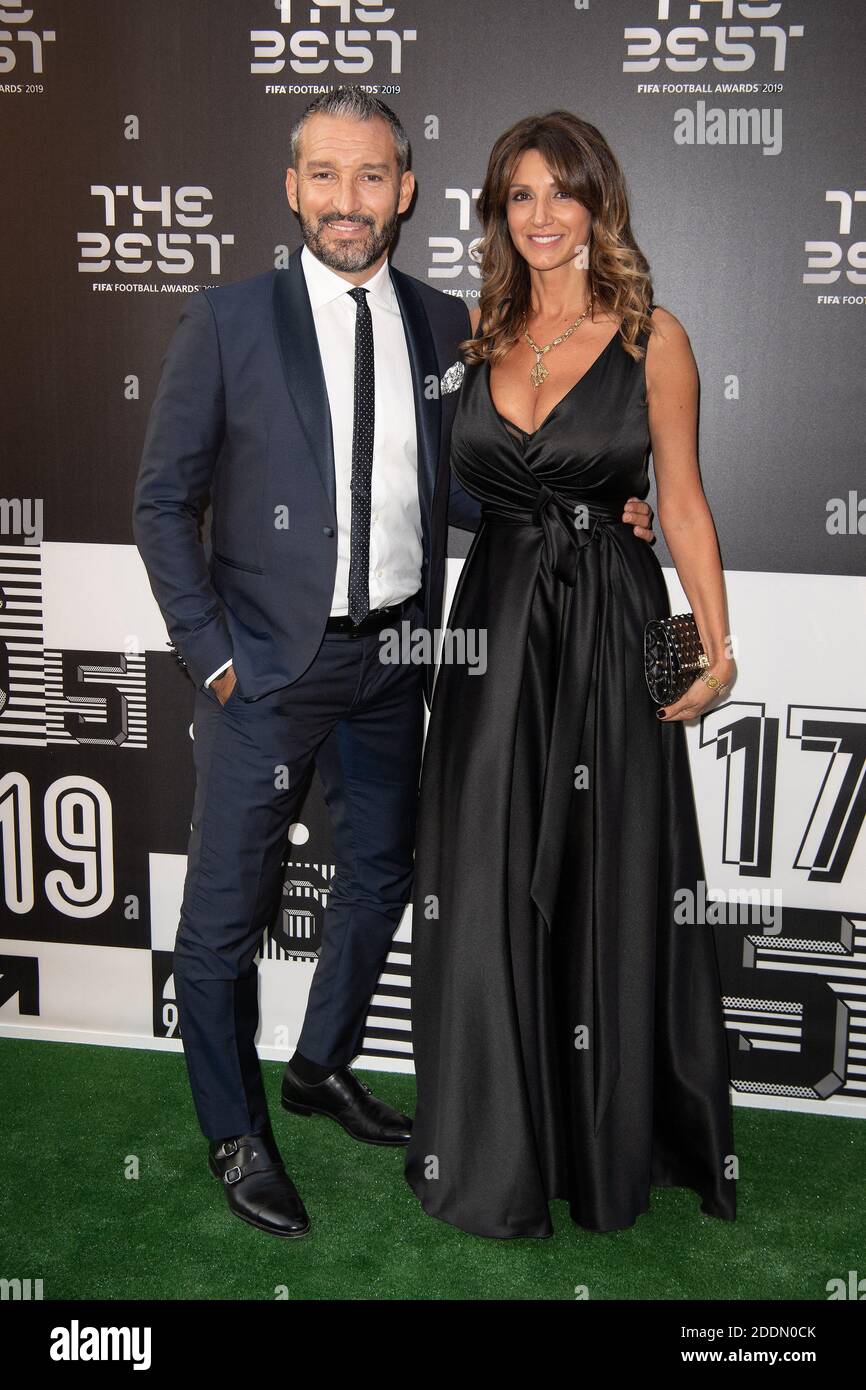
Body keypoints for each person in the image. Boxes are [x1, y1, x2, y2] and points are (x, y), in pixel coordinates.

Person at [133, 88, 656, 1239]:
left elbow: (468, 485)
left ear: (405, 193)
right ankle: (234, 1130)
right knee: (223, 920)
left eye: (372, 177)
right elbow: (162, 503)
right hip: (264, 674)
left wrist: (593, 505)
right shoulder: (225, 321)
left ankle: (318, 1066)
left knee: (380, 878)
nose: (348, 201)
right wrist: (214, 659)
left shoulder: (440, 322)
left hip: (400, 664)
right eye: (324, 175)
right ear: (292, 187)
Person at [404, 110, 739, 1238]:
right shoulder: (473, 338)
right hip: (493, 632)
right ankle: (497, 1142)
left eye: (563, 193)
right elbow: (452, 497)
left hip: (605, 618)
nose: (542, 217)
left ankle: (606, 1139)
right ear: (499, 214)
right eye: (519, 197)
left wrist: (713, 641)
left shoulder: (655, 339)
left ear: (599, 204)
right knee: (487, 872)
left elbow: (680, 501)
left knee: (605, 878)